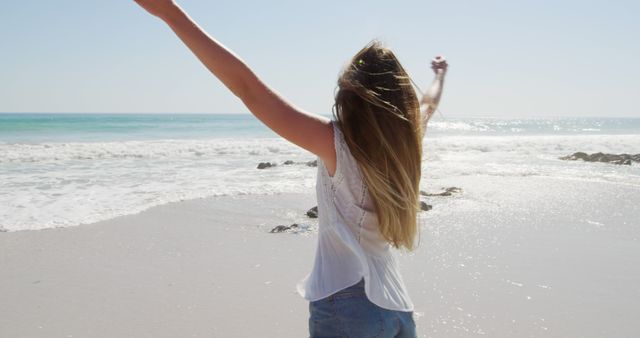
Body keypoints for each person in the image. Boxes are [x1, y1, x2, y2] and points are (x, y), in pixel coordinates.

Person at [133, 1, 448, 337]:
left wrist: (169, 13)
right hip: (398, 310)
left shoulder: (336, 142)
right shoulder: (406, 144)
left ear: (353, 97)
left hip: (348, 307)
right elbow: (428, 103)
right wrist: (440, 75)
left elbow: (248, 88)